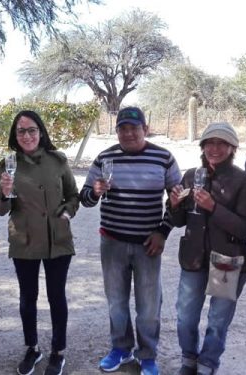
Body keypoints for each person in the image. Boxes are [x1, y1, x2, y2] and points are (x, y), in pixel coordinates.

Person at [79, 106, 182, 375]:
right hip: (112, 242)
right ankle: (121, 349)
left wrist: (163, 232)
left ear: (145, 129)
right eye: (122, 128)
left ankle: (147, 354)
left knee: (149, 305)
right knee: (116, 301)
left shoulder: (163, 158)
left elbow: (178, 201)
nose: (128, 133)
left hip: (149, 244)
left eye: (134, 128)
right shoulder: (105, 157)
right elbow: (85, 198)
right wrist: (96, 191)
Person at [0, 110, 79, 375]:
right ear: (15, 135)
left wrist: (66, 213)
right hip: (24, 239)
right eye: (21, 131)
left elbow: (73, 196)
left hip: (58, 239)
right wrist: (6, 194)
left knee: (57, 297)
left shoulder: (58, 160)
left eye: (32, 130)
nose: (27, 135)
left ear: (41, 132)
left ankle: (58, 351)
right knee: (27, 298)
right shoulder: (6, 165)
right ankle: (32, 348)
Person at [167, 122, 246, 375]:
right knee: (185, 316)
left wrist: (214, 207)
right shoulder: (191, 175)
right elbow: (178, 221)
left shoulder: (242, 180)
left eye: (222, 143)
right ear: (202, 147)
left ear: (232, 148)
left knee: (217, 320)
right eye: (210, 143)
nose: (215, 149)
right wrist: (173, 205)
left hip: (228, 259)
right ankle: (188, 360)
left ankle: (207, 364)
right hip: (193, 258)